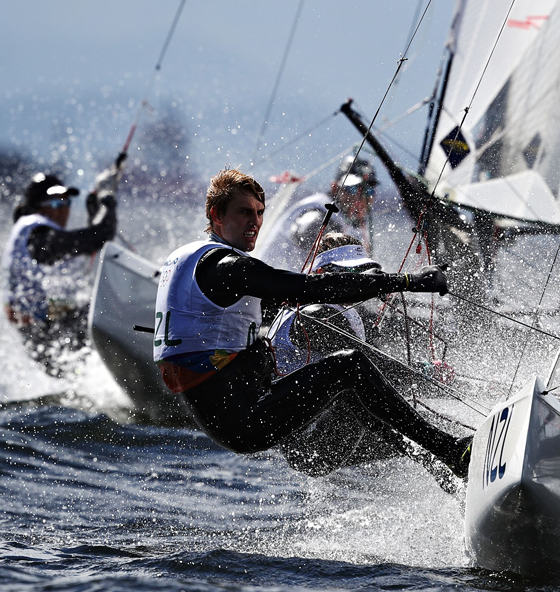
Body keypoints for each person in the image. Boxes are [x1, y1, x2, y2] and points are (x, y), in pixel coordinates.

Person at [154, 168, 466, 477]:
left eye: (260, 212)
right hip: (247, 421)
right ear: (216, 214)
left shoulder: (190, 259)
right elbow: (314, 288)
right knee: (349, 366)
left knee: (356, 389)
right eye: (244, 212)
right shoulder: (229, 267)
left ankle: (443, 460)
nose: (255, 222)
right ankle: (451, 451)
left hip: (237, 413)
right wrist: (409, 281)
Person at [3, 169, 118, 377]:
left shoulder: (29, 232)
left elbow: (81, 244)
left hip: (46, 335)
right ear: (38, 208)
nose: (64, 210)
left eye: (67, 203)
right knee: (103, 308)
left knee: (86, 303)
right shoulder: (37, 235)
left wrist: (95, 216)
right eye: (56, 204)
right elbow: (99, 236)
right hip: (48, 338)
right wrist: (107, 203)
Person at [266, 231, 378, 375]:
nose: (357, 280)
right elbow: (373, 364)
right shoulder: (316, 313)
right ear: (320, 272)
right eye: (348, 272)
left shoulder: (335, 305)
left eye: (362, 271)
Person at [255, 155, 379, 272]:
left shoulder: (342, 219)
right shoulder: (319, 215)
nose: (361, 197)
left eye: (368, 190)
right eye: (353, 189)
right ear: (335, 188)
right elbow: (307, 233)